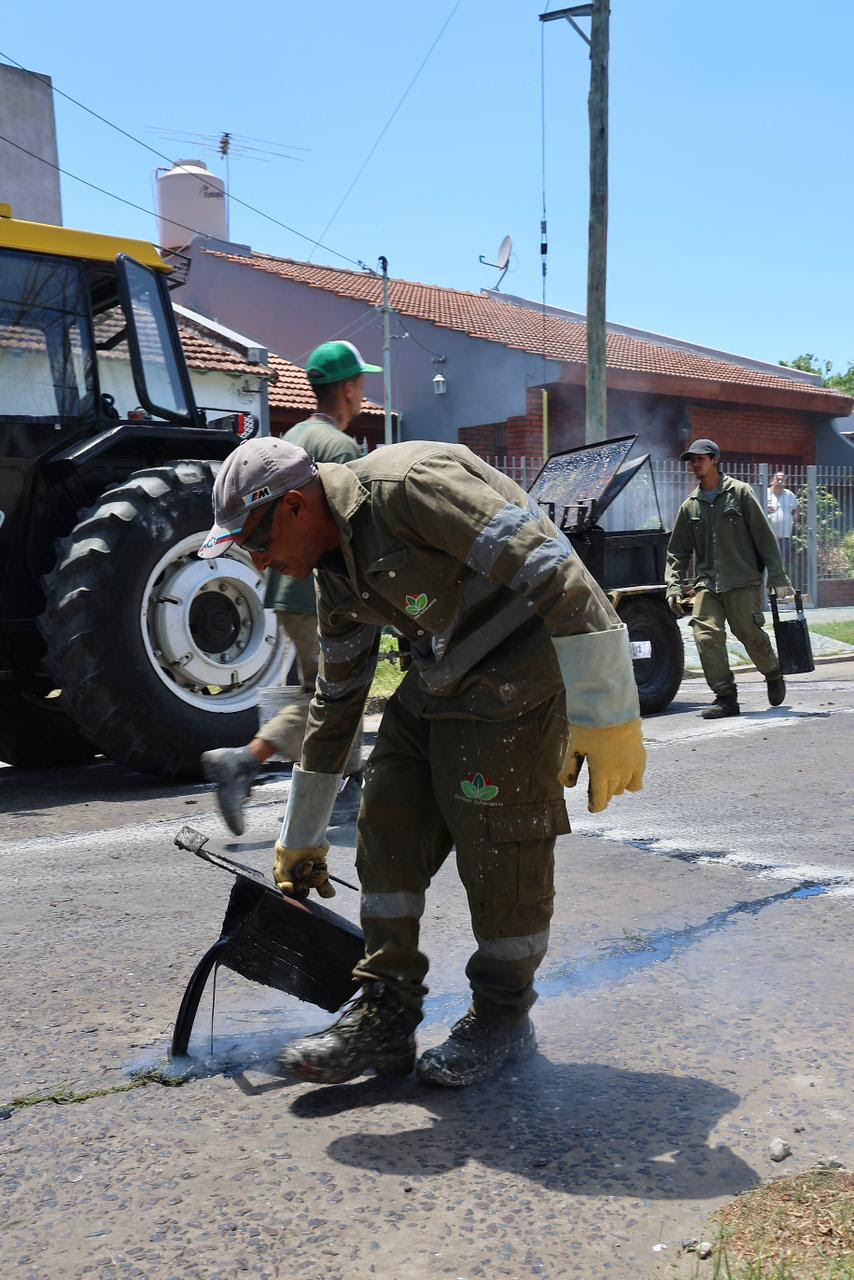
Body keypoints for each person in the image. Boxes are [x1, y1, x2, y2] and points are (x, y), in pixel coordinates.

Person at [198, 435, 647, 1089]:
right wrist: (302, 836)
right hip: (441, 670)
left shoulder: (413, 489)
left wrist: (608, 714)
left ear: (294, 506)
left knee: (501, 848)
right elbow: (338, 700)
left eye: (256, 543)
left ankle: (501, 1020)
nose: (259, 562)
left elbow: (555, 570)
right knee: (386, 816)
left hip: (522, 667)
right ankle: (384, 1018)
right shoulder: (333, 569)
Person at [200, 341, 381, 835]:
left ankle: (337, 782)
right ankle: (253, 762)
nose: (363, 395)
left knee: (325, 689)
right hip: (323, 590)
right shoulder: (341, 449)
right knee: (338, 689)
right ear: (347, 389)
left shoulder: (294, 435)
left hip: (287, 591)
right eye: (361, 385)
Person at [665, 439, 795, 720]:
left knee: (749, 634)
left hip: (742, 581)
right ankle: (726, 697)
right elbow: (677, 550)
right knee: (705, 635)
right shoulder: (690, 506)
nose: (695, 463)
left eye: (700, 458)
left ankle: (772, 672)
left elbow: (764, 537)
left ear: (714, 460)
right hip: (708, 584)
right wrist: (674, 584)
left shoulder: (741, 493)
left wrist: (778, 576)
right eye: (692, 460)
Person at [766, 470, 800, 570]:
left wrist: (795, 517)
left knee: (780, 563)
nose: (780, 482)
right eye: (778, 479)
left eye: (783, 480)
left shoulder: (789, 494)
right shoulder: (765, 492)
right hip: (768, 536)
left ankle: (775, 584)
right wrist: (765, 508)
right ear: (772, 480)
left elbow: (797, 506)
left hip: (784, 536)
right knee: (766, 562)